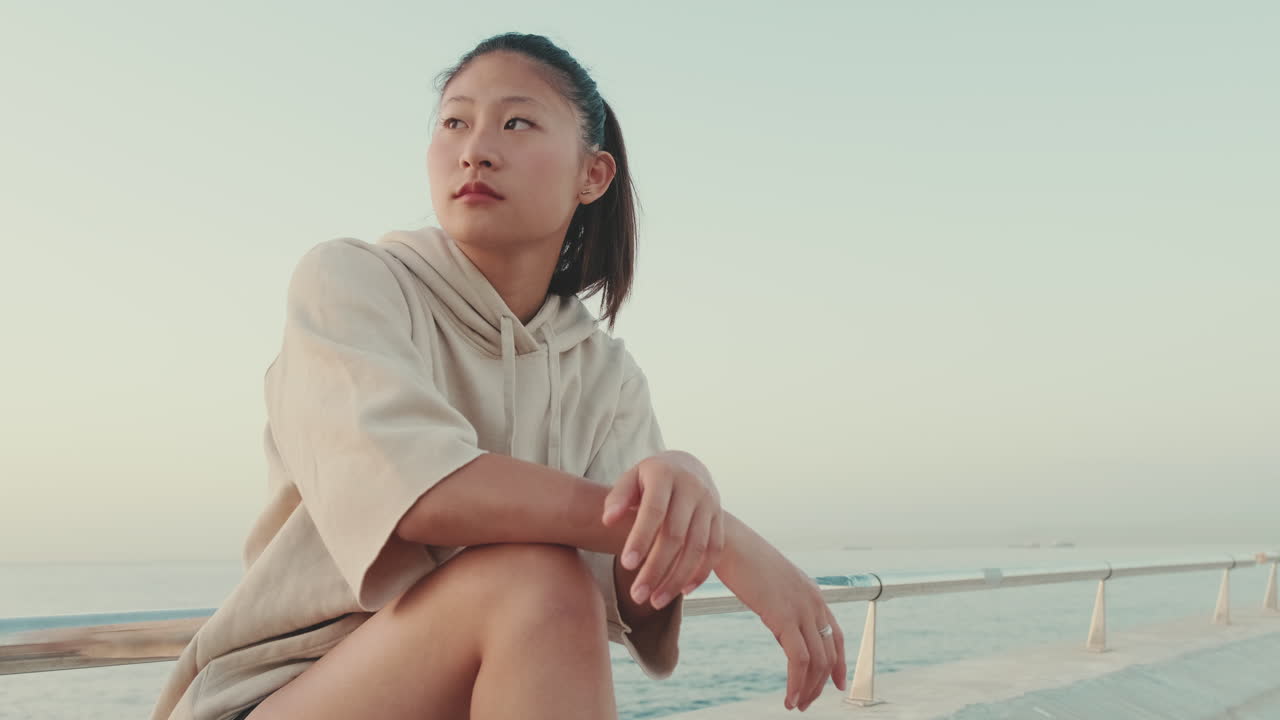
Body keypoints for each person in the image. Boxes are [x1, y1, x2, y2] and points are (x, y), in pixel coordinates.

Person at [148, 31, 846, 720]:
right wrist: (722, 539)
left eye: (516, 122)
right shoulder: (350, 283)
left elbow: (629, 592)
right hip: (281, 696)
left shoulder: (605, 371)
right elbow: (415, 487)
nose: (475, 147)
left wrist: (679, 496)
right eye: (454, 121)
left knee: (554, 584)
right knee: (538, 581)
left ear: (592, 175)